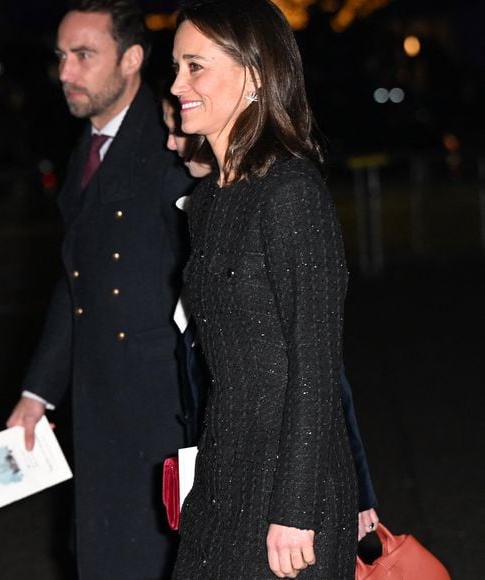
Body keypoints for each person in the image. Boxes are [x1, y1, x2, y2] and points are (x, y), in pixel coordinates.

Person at [169, 0, 360, 577]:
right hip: (223, 470)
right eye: (176, 66)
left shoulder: (291, 192)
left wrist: (296, 509)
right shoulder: (207, 202)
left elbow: (317, 363)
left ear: (253, 76)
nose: (177, 84)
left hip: (289, 491)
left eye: (194, 66)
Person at [6, 1, 193, 578]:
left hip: (160, 414)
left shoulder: (171, 142)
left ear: (132, 59)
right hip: (99, 405)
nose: (66, 72)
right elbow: (76, 282)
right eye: (62, 57)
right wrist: (38, 393)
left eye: (84, 55)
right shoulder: (86, 149)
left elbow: (210, 281)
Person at [162, 96, 380, 541]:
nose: (171, 142)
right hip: (217, 462)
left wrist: (359, 491)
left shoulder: (281, 200)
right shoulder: (199, 212)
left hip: (273, 473)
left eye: (179, 131)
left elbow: (323, 374)